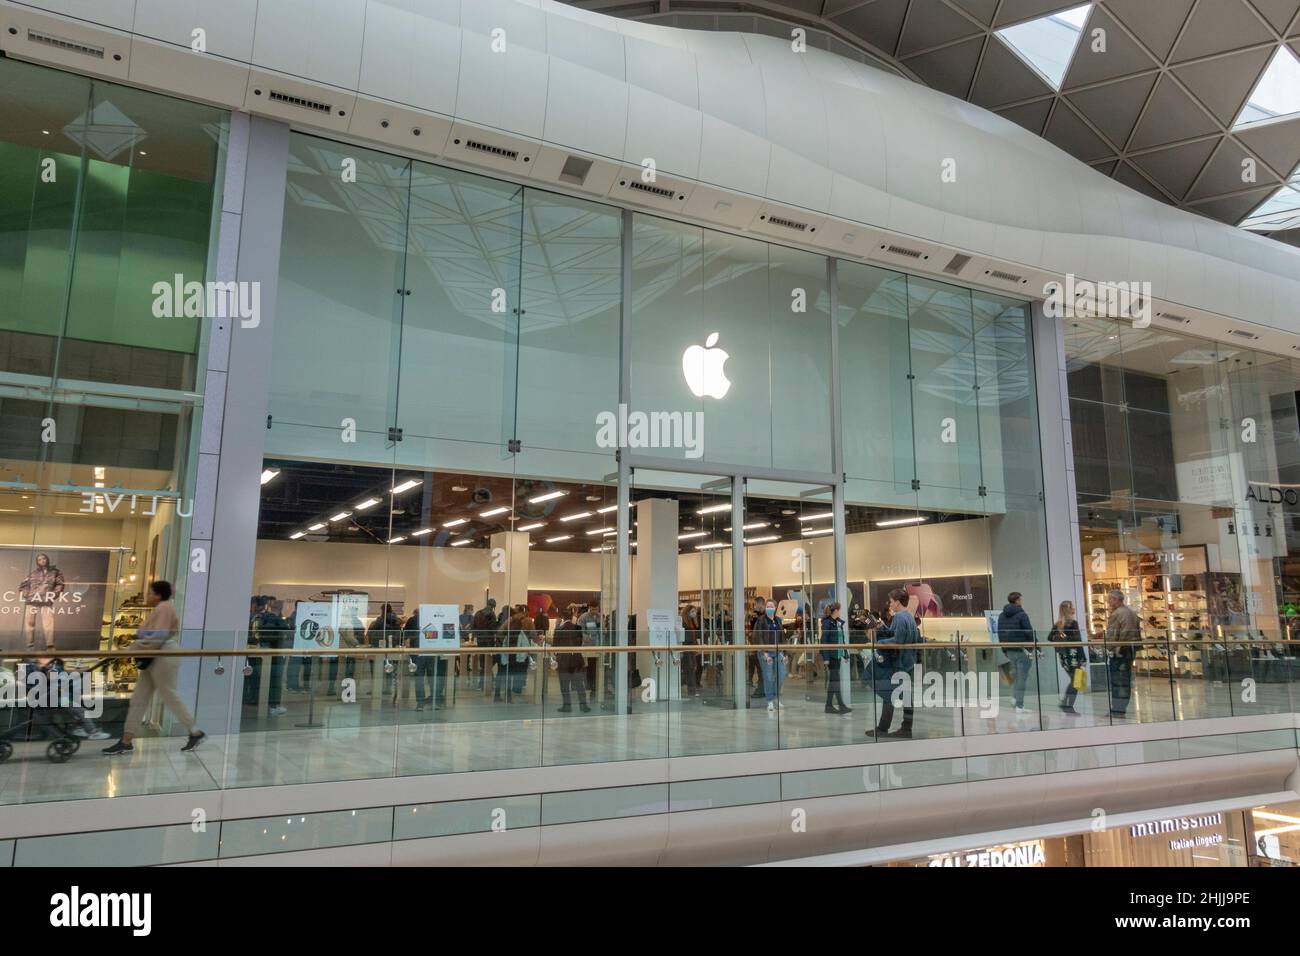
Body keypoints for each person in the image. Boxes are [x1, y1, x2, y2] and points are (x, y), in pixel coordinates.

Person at [103, 581, 204, 755]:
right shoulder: (162, 608)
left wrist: (131, 648)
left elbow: (158, 637)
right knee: (139, 698)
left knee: (168, 694)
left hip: (163, 656)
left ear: (158, 595)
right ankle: (126, 740)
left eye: (150, 593)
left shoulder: (164, 608)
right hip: (155, 656)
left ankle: (195, 732)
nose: (148, 596)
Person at [867, 589, 920, 739]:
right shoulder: (909, 617)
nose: (890, 604)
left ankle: (884, 728)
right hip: (908, 662)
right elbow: (899, 635)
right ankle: (906, 727)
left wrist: (880, 642)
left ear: (897, 602)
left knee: (888, 694)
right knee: (906, 697)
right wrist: (882, 627)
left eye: (891, 601)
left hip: (899, 664)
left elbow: (897, 640)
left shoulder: (899, 617)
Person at [997, 591, 1036, 714]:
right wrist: (1032, 647)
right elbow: (1029, 632)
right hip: (1022, 649)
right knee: (1022, 677)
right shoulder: (1022, 614)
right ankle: (1019, 704)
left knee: (1016, 676)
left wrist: (1004, 649)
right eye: (1021, 599)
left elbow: (1000, 633)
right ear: (1018, 600)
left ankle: (1014, 698)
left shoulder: (1001, 615)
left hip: (1010, 649)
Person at [1105, 589, 1140, 717]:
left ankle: (1117, 710)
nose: (1108, 602)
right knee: (1125, 680)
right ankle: (1121, 708)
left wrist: (1110, 647)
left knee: (1118, 680)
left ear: (1117, 600)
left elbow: (1113, 634)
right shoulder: (1131, 612)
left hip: (1120, 650)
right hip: (1129, 649)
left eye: (1110, 599)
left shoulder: (1117, 613)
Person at [20, 552, 65, 651]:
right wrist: (26, 594)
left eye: (43, 558)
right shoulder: (34, 573)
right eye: (39, 559)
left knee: (48, 622)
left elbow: (60, 584)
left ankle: (50, 645)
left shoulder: (55, 571)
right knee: (29, 622)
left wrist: (53, 595)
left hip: (46, 599)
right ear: (37, 562)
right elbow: (23, 585)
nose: (42, 561)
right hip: (32, 599)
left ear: (47, 559)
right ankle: (30, 645)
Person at [1048, 600, 1084, 715]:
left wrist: (1061, 636)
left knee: (1075, 679)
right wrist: (1082, 656)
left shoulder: (1058, 623)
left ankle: (1065, 703)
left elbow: (1050, 637)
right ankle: (1068, 705)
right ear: (1068, 609)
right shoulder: (1073, 623)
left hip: (1063, 655)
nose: (1074, 608)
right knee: (1076, 680)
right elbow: (1078, 641)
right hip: (1073, 654)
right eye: (1071, 607)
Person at [553, 605, 590, 713]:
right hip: (576, 659)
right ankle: (583, 706)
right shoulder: (577, 628)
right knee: (579, 684)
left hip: (564, 660)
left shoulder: (559, 629)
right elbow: (580, 642)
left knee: (564, 685)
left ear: (562, 618)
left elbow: (555, 646)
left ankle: (567, 706)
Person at [754, 599, 785, 716]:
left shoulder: (778, 620)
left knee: (781, 674)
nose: (770, 607)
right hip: (765, 653)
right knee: (768, 677)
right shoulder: (760, 620)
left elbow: (782, 636)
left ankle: (775, 696)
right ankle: (770, 700)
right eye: (768, 606)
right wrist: (765, 652)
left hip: (778, 652)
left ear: (776, 607)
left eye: (772, 606)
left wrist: (783, 652)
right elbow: (758, 636)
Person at [820, 602, 851, 715]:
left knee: (834, 681)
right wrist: (826, 658)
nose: (840, 612)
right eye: (840, 610)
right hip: (831, 656)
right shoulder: (827, 623)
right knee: (835, 681)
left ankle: (830, 705)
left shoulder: (837, 623)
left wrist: (845, 654)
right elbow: (823, 640)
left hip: (837, 655)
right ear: (836, 611)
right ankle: (837, 705)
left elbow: (841, 640)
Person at [577, 602, 602, 706]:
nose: (594, 611)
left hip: (597, 647)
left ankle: (593, 687)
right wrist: (588, 639)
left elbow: (601, 630)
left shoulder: (599, 617)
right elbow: (579, 632)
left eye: (596, 609)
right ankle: (584, 685)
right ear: (589, 608)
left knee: (595, 667)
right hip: (586, 646)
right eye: (592, 609)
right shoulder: (583, 617)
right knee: (584, 666)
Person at [681, 605, 702, 697]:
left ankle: (692, 690)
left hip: (691, 648)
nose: (694, 613)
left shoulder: (691, 622)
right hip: (686, 648)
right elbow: (686, 637)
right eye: (692, 611)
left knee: (692, 668)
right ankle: (691, 691)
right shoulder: (683, 623)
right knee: (689, 669)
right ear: (687, 612)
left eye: (695, 612)